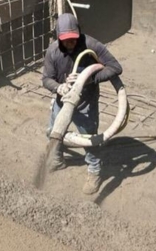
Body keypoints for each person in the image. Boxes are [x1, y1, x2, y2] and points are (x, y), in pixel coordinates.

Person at [41, 13, 123, 195]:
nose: (70, 43)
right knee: (53, 132)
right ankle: (57, 160)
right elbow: (46, 78)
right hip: (63, 100)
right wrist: (58, 87)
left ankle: (94, 171)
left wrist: (88, 78)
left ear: (79, 33)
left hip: (85, 102)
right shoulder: (53, 51)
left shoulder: (91, 45)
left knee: (88, 139)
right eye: (66, 40)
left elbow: (115, 68)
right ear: (58, 37)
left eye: (73, 39)